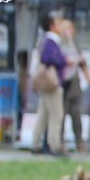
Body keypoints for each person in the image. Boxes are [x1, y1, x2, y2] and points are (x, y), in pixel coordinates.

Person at [30, 12, 66, 157]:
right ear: (52, 26)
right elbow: (50, 58)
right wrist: (63, 60)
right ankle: (55, 145)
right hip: (52, 84)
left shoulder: (44, 40)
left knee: (43, 115)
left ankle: (35, 143)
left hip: (45, 85)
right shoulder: (51, 41)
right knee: (56, 114)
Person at [59, 18, 90, 153]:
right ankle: (60, 142)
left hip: (73, 80)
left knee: (76, 113)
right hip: (61, 81)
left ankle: (79, 141)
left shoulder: (75, 44)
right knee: (61, 113)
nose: (72, 31)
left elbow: (81, 61)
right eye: (69, 28)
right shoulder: (59, 42)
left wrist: (88, 77)